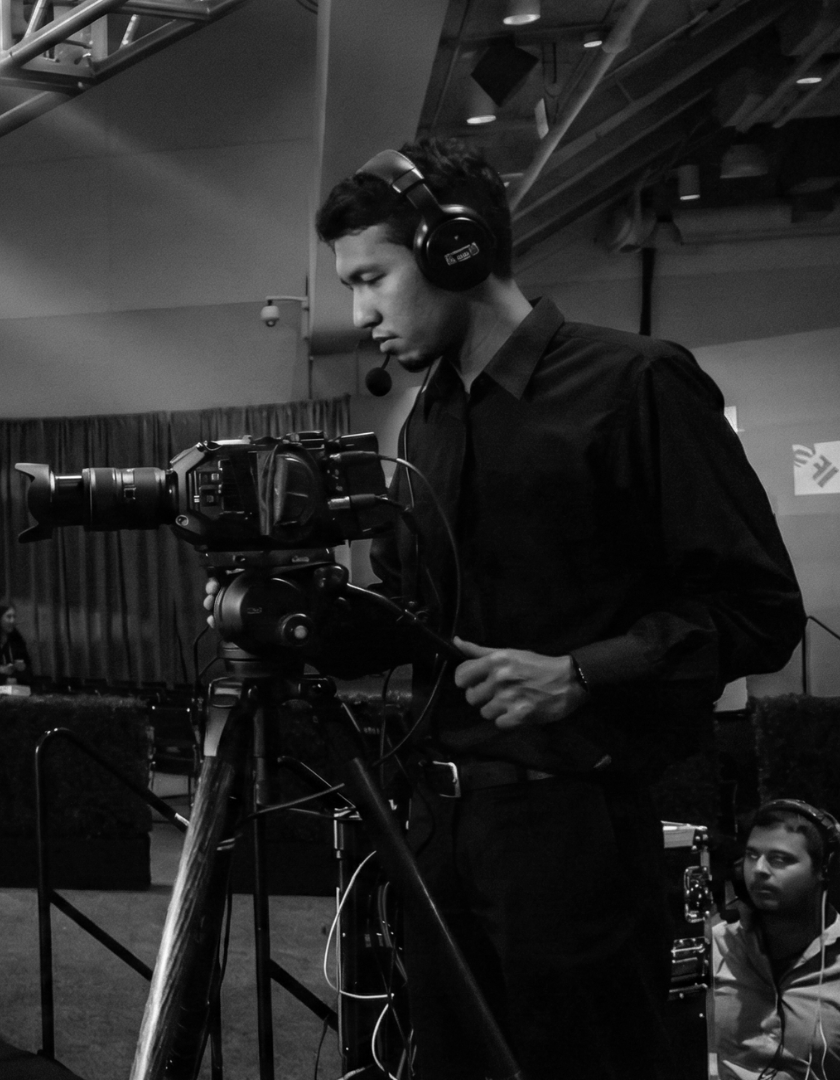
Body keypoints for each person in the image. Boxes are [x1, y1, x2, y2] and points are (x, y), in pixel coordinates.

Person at [259, 137, 803, 1079]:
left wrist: (579, 674)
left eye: (373, 278)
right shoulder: (426, 419)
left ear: (453, 251)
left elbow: (761, 609)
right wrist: (307, 615)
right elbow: (418, 613)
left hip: (577, 840)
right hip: (440, 837)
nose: (359, 314)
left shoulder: (636, 384)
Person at [714, 800, 840, 1078]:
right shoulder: (718, 946)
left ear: (825, 869)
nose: (759, 869)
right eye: (751, 855)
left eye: (779, 859)